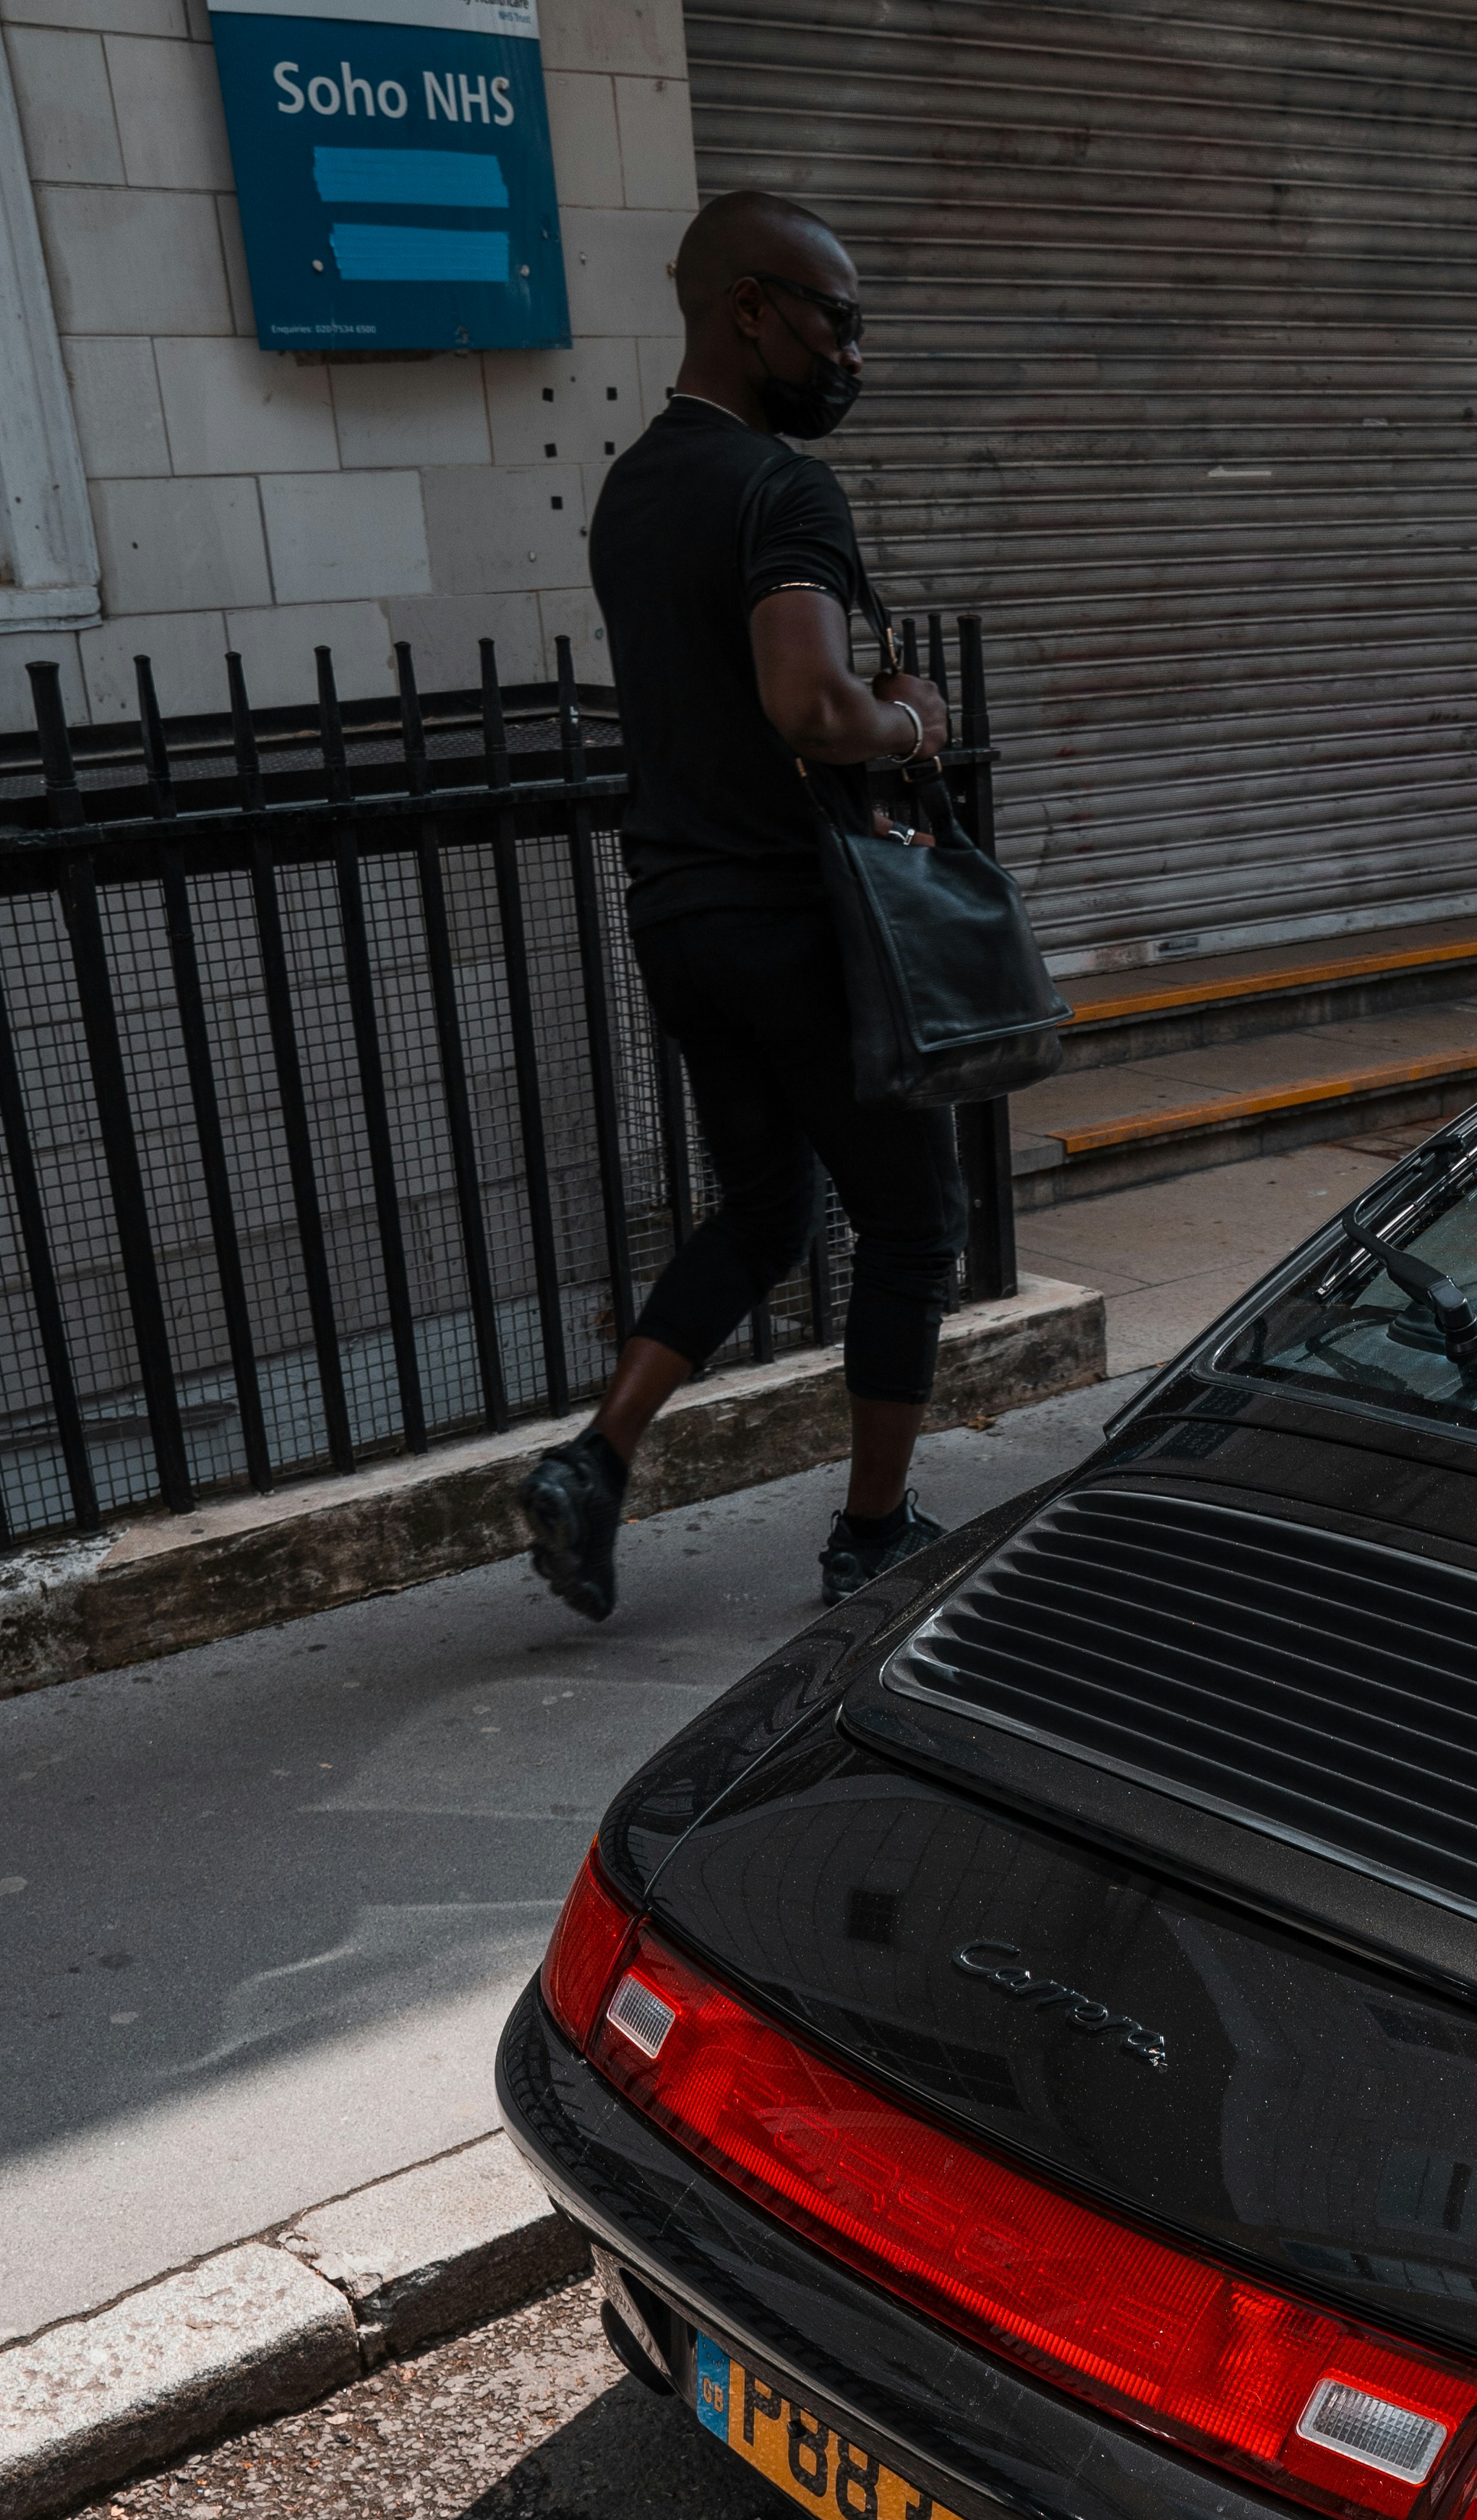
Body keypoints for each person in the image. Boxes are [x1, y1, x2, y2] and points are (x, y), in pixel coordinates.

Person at [518, 187, 964, 1621]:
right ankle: (870, 1535)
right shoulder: (783, 488)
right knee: (912, 1220)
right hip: (793, 916)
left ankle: (594, 1461)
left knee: (766, 1209)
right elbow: (806, 702)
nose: (851, 357)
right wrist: (908, 721)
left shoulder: (633, 487)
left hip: (678, 912)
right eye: (837, 323)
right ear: (752, 310)